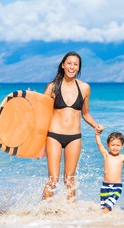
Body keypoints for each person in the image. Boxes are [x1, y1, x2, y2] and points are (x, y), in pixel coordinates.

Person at [42, 51, 103, 201]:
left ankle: (70, 216)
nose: (72, 67)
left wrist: (96, 125)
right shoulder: (52, 87)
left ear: (79, 68)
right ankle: (42, 213)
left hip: (74, 138)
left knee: (69, 180)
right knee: (53, 180)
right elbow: (41, 113)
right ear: (63, 65)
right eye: (69, 63)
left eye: (75, 64)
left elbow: (86, 113)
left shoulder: (85, 88)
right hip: (54, 135)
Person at [95, 130, 124, 214]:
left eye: (118, 145)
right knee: (104, 208)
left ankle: (97, 219)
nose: (115, 147)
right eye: (112, 145)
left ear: (122, 146)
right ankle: (104, 224)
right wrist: (97, 134)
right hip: (105, 186)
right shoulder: (106, 155)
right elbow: (99, 144)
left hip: (117, 187)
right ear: (108, 145)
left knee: (108, 206)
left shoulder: (122, 157)